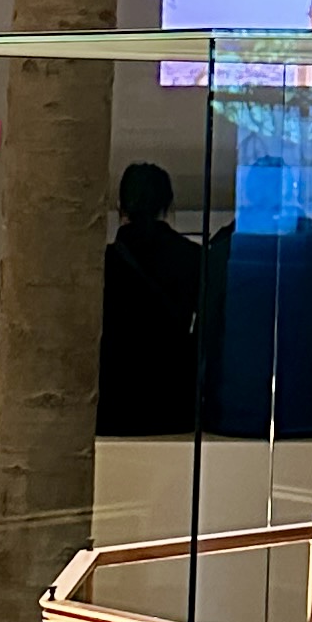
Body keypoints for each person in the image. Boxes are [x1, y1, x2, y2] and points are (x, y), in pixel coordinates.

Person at [200, 154, 312, 439]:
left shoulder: (224, 254)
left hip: (233, 414)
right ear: (290, 193)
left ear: (247, 194)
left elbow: (206, 338)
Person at [97, 161, 201, 434]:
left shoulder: (101, 264)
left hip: (113, 407)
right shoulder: (193, 258)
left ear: (120, 206)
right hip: (173, 405)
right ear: (167, 206)